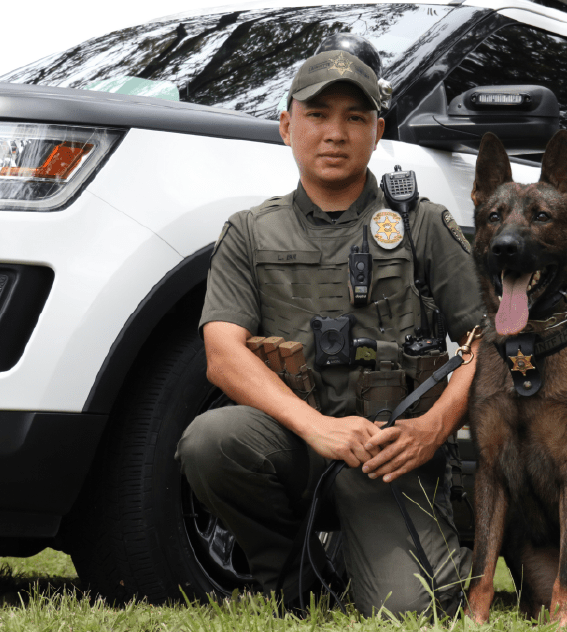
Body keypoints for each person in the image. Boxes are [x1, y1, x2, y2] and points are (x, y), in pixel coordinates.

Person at [175, 42, 483, 618]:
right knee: (211, 441)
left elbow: (484, 342)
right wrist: (317, 428)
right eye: (317, 115)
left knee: (410, 612)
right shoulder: (247, 232)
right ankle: (293, 581)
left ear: (377, 131)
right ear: (287, 126)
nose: (335, 133)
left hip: (392, 455)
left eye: (355, 118)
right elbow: (222, 353)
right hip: (298, 441)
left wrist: (432, 429)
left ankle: (414, 547)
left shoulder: (421, 224)